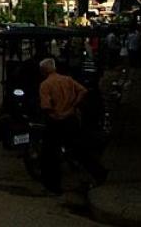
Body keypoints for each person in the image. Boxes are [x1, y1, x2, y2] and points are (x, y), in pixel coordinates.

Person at [38, 57, 107, 194]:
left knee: (49, 155)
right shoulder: (67, 80)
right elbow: (83, 91)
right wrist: (74, 105)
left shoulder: (46, 84)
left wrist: (55, 114)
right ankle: (99, 172)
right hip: (71, 119)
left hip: (56, 122)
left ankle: (53, 187)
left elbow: (46, 106)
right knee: (78, 149)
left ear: (43, 71)